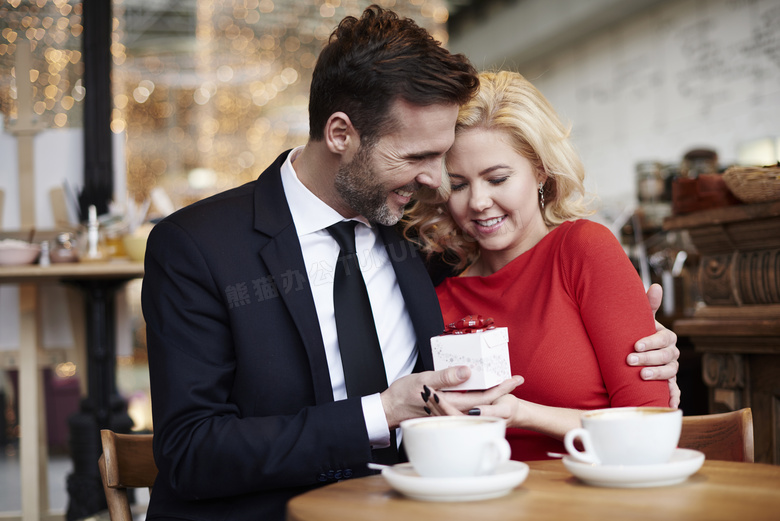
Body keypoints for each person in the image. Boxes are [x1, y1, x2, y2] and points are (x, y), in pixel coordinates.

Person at [141, 7, 679, 520]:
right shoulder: (198, 246)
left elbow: (531, 304)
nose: (436, 184)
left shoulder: (423, 245)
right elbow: (190, 451)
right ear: (341, 135)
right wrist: (383, 411)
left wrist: (644, 343)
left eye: (440, 159)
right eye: (419, 158)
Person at [404, 70, 675, 461]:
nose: (478, 201)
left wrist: (524, 414)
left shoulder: (583, 251)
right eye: (459, 184)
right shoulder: (440, 299)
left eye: (497, 178)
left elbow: (649, 426)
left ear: (540, 170)